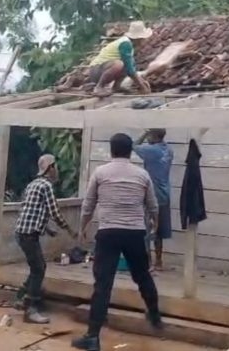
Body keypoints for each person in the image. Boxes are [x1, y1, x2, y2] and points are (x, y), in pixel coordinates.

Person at [72, 133, 162, 351]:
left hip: (108, 233)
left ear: (111, 150)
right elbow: (153, 206)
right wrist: (155, 224)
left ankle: (92, 337)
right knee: (142, 275)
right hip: (134, 232)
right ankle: (154, 314)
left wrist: (82, 228)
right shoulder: (142, 175)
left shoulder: (101, 173)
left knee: (103, 285)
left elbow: (88, 205)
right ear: (130, 151)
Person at [14, 154, 78, 324]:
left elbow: (32, 210)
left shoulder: (33, 184)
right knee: (39, 269)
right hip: (28, 234)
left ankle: (21, 297)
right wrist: (70, 230)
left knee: (36, 267)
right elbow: (54, 212)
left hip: (22, 232)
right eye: (55, 167)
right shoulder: (46, 186)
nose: (57, 171)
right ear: (50, 168)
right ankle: (31, 309)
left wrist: (47, 228)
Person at [61, 21, 153, 97]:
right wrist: (141, 86)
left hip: (102, 69)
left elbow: (130, 67)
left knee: (129, 63)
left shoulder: (129, 45)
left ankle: (116, 87)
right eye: (143, 38)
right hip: (96, 70)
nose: (144, 41)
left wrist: (141, 82)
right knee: (119, 64)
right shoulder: (125, 44)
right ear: (139, 38)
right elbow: (129, 70)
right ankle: (99, 87)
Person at [134, 129, 174, 271]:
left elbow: (133, 145)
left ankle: (148, 263)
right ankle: (159, 261)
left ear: (154, 136)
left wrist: (144, 133)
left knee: (147, 229)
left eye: (150, 135)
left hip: (152, 194)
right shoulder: (168, 150)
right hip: (164, 194)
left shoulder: (151, 150)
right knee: (159, 229)